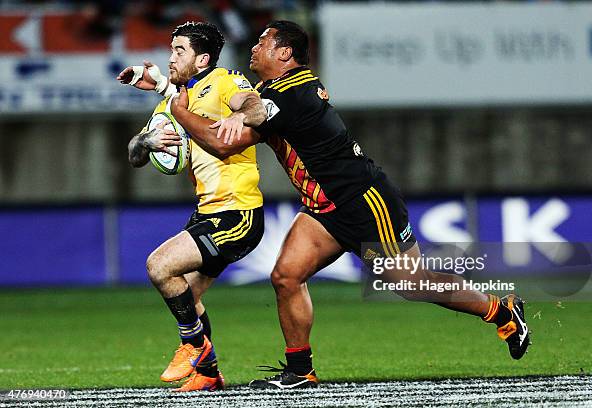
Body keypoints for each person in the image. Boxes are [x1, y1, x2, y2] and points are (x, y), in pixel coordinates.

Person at [123, 20, 530, 390]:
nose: (255, 47)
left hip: (365, 203)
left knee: (410, 283)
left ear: (284, 53)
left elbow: (237, 124)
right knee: (285, 276)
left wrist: (181, 105)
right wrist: (190, 98)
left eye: (264, 42)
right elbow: (241, 119)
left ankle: (502, 311)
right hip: (324, 209)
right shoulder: (272, 92)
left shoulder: (293, 91)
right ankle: (300, 371)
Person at [118, 21, 266, 392]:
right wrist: (146, 140)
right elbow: (135, 156)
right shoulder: (178, 99)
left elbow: (255, 106)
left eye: (178, 51)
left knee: (159, 266)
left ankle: (193, 346)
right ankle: (209, 374)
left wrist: (240, 114)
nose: (170, 58)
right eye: (171, 50)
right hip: (208, 211)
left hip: (237, 212)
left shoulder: (223, 81)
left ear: (202, 59)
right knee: (189, 296)